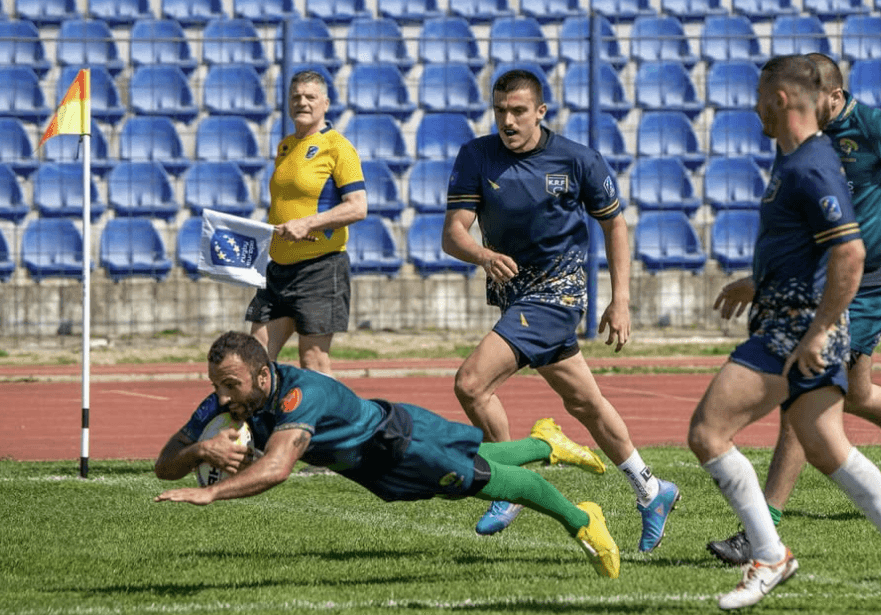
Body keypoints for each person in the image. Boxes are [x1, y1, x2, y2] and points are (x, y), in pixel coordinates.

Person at [153, 331, 621, 579]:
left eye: (229, 385)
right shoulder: (229, 399)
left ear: (261, 376)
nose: (221, 397)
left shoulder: (300, 396)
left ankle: (581, 519)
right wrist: (199, 448)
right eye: (215, 385)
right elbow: (163, 464)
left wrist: (211, 496)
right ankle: (546, 442)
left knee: (482, 479)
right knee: (478, 456)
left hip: (399, 442)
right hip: (372, 466)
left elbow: (276, 469)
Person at [441, 68, 679, 550]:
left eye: (519, 111)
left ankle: (506, 483)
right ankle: (651, 489)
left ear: (541, 112)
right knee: (586, 403)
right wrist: (482, 255)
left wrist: (622, 298)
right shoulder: (476, 156)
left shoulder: (577, 160)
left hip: (558, 295)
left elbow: (615, 226)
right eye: (500, 110)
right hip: (519, 297)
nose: (508, 120)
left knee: (471, 382)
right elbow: (453, 233)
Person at [687, 55, 881, 610]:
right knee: (829, 451)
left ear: (780, 98)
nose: (751, 108)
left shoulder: (813, 165)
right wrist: (760, 280)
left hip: (794, 330)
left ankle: (769, 555)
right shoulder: (794, 157)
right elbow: (814, 247)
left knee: (708, 432)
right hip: (788, 316)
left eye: (758, 96)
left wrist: (820, 330)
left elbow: (850, 251)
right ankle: (770, 554)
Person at [245, 70, 367, 374]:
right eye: (296, 96)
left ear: (325, 103)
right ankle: (263, 421)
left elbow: (358, 207)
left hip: (320, 268)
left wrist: (307, 224)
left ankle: (336, 422)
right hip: (278, 269)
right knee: (254, 357)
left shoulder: (339, 147)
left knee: (313, 361)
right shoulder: (285, 147)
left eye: (310, 96)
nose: (302, 102)